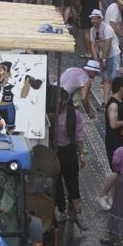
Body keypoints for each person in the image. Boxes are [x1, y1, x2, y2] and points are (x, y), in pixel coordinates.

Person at [55, 90, 86, 228]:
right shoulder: (49, 114)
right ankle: (61, 210)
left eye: (61, 100)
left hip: (69, 151)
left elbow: (79, 136)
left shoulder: (75, 114)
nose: (59, 103)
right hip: (54, 152)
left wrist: (82, 154)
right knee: (57, 183)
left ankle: (78, 214)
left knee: (73, 182)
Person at [100, 77, 123, 211]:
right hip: (114, 141)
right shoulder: (113, 104)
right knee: (117, 170)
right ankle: (103, 195)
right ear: (121, 88)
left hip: (121, 140)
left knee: (120, 171)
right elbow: (113, 124)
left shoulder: (121, 101)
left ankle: (114, 199)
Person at [90, 9, 121, 104]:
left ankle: (117, 99)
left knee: (114, 78)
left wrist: (104, 60)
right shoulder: (93, 30)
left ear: (100, 19)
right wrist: (96, 60)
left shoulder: (107, 29)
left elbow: (108, 44)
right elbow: (93, 45)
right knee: (106, 79)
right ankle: (106, 101)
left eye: (95, 19)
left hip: (113, 55)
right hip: (103, 55)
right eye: (92, 19)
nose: (93, 21)